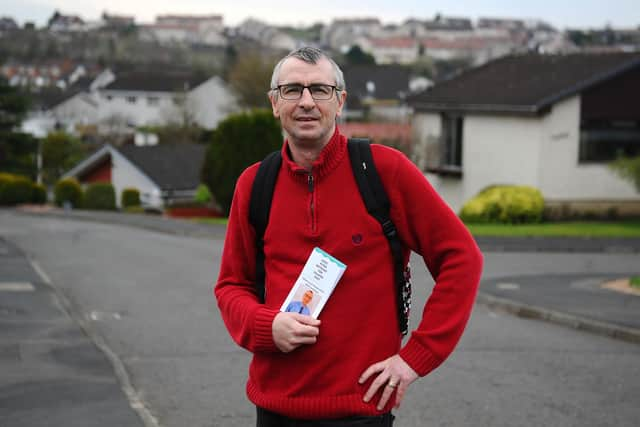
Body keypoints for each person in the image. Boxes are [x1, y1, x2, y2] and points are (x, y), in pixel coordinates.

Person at [215, 46, 483, 426]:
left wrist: (415, 359)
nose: (306, 101)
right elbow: (231, 286)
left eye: (320, 90)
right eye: (292, 90)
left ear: (340, 102)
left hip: (360, 411)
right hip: (274, 409)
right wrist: (265, 325)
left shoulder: (385, 171)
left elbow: (462, 258)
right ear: (275, 104)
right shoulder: (255, 184)